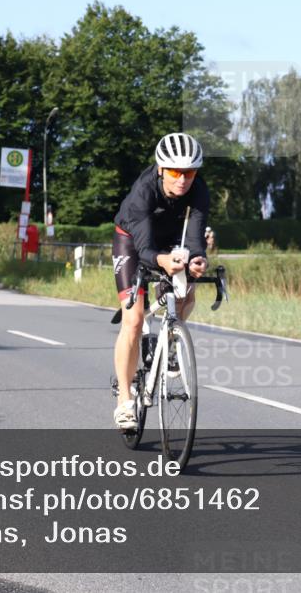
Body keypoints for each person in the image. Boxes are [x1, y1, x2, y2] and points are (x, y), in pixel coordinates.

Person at [111, 132, 209, 429]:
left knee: (186, 292)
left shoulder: (199, 189)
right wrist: (163, 261)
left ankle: (171, 338)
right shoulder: (143, 191)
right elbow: (145, 250)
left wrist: (197, 259)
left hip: (169, 240)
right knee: (134, 320)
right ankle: (124, 401)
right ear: (161, 169)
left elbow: (195, 237)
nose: (183, 179)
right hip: (132, 241)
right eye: (176, 172)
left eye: (190, 172)